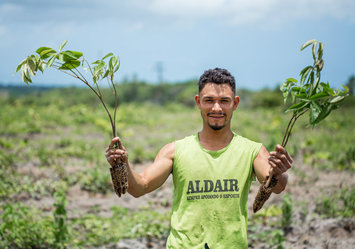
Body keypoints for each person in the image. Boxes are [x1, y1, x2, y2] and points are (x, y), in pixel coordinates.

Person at [105, 68, 293, 249]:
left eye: (224, 101)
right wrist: (122, 165)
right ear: (198, 102)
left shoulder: (252, 151)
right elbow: (140, 186)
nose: (216, 108)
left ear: (235, 103)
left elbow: (275, 185)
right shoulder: (174, 151)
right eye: (209, 100)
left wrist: (279, 171)